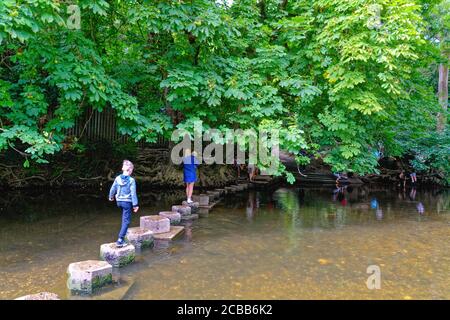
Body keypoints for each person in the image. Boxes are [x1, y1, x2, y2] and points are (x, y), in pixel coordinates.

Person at [108, 160, 139, 247]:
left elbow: (112, 189)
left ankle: (122, 236)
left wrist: (111, 197)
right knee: (126, 221)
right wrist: (135, 205)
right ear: (130, 170)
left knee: (124, 218)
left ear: (122, 168)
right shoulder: (131, 180)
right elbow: (133, 193)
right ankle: (120, 240)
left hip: (119, 202)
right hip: (127, 202)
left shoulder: (117, 178)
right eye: (132, 170)